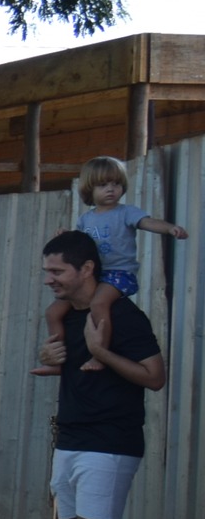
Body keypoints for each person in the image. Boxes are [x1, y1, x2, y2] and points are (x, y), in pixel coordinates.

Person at [38, 230, 165, 519]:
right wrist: (53, 362)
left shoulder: (123, 317)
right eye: (47, 271)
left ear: (87, 269)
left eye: (58, 271)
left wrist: (100, 352)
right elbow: (77, 373)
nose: (49, 279)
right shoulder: (66, 317)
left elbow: (154, 376)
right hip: (71, 436)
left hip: (110, 441)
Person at [32, 156, 186, 376]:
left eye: (116, 184)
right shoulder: (86, 219)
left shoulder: (126, 212)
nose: (111, 189)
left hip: (119, 275)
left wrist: (170, 229)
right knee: (53, 312)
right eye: (103, 185)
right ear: (89, 189)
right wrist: (66, 235)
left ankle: (99, 354)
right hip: (98, 274)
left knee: (98, 304)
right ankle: (56, 360)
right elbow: (79, 244)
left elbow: (148, 222)